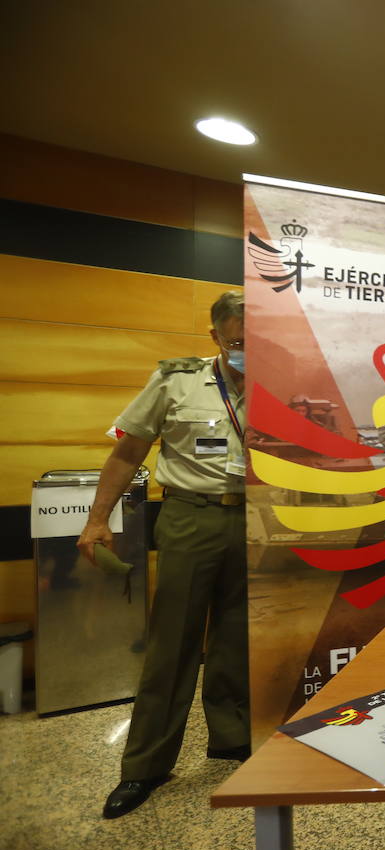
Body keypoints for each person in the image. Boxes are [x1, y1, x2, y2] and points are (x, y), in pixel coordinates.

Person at [78, 290, 251, 819]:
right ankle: (145, 766)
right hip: (190, 517)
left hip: (258, 519)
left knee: (241, 636)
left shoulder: (286, 384)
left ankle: (232, 737)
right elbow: (128, 449)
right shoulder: (176, 379)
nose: (248, 351)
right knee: (173, 641)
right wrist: (95, 518)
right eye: (236, 342)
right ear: (215, 337)